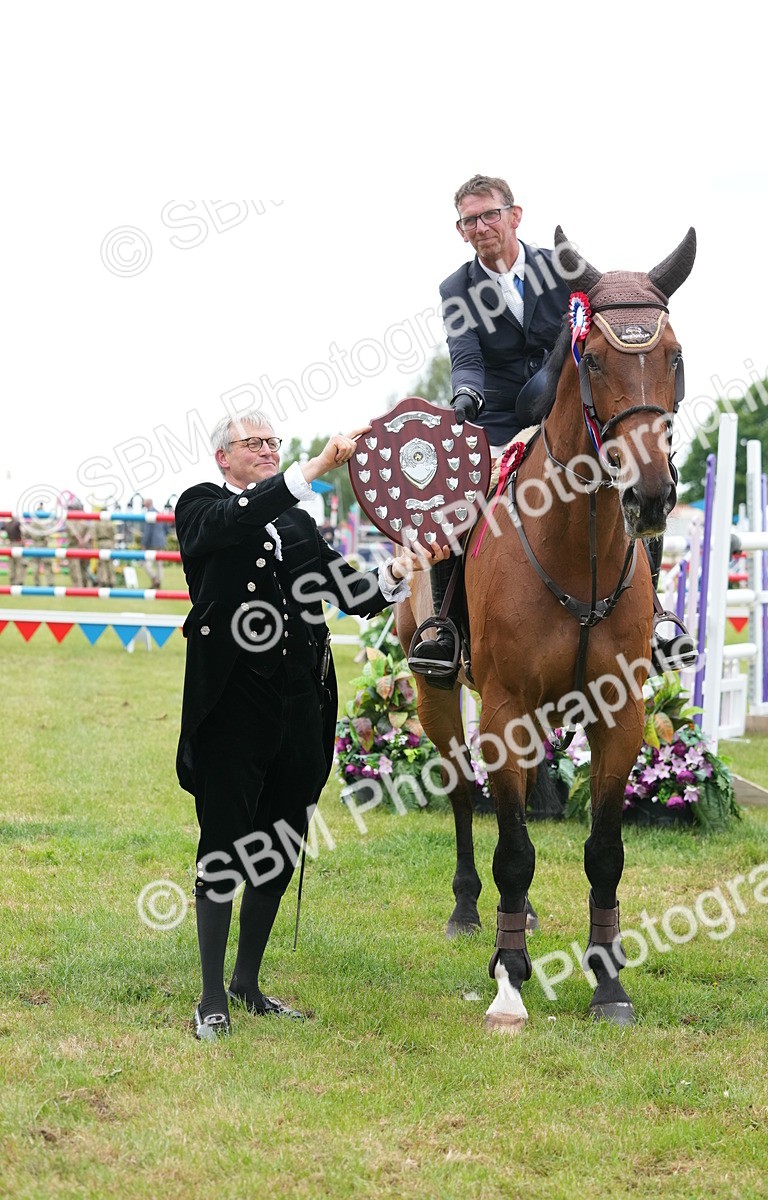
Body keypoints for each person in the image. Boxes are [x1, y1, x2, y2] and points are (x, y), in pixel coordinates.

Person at [175, 411, 448, 1041]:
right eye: (256, 444)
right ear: (224, 457)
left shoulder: (297, 519)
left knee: (279, 843)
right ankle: (211, 995)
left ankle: (247, 983)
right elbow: (241, 519)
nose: (269, 450)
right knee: (223, 842)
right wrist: (318, 466)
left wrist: (400, 569)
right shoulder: (200, 506)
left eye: (274, 442)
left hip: (300, 701)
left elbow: (350, 593)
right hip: (233, 701)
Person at [412, 173, 570, 675]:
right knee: (450, 498)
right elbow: (465, 354)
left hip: (566, 405)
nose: (481, 226)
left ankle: (654, 621)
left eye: (490, 215)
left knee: (636, 472)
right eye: (470, 220)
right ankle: (444, 626)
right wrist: (466, 395)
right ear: (460, 231)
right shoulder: (456, 289)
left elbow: (583, 335)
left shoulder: (562, 267)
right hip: (497, 415)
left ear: (515, 215)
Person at [140, 498, 167, 587]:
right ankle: (158, 581)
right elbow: (165, 528)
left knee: (144, 562)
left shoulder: (149, 514)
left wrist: (144, 544)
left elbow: (148, 531)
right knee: (159, 563)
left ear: (147, 504)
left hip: (152, 542)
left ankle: (155, 579)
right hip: (160, 541)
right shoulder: (159, 513)